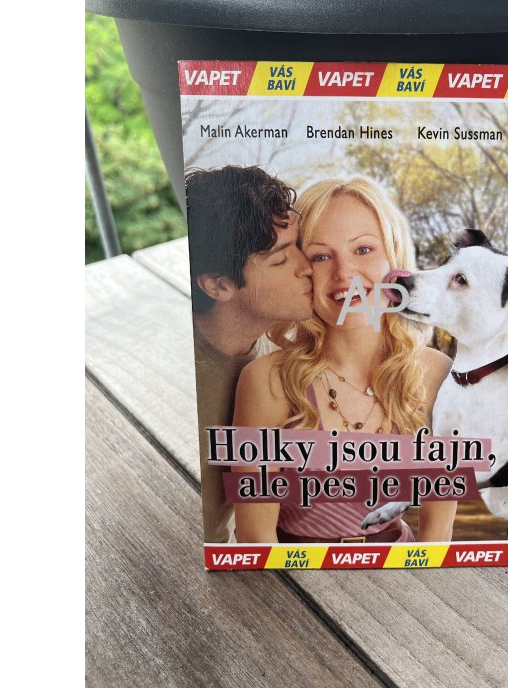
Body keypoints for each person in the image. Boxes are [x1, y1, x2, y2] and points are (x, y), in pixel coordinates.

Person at [232, 176, 456, 543]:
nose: (344, 273)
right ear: (301, 271)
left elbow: (438, 531)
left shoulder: (437, 374)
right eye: (320, 256)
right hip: (299, 571)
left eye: (363, 249)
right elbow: (256, 539)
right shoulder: (269, 382)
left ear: (394, 257)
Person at [186, 165, 314, 543]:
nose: (307, 267)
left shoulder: (278, 364)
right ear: (219, 285)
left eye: (300, 247)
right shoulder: (182, 376)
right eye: (281, 259)